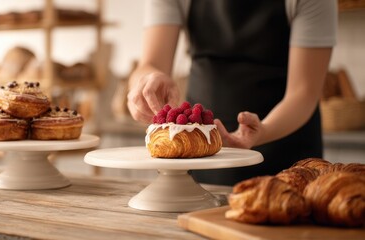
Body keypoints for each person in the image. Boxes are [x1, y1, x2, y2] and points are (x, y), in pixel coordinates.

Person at [127, 0, 337, 185]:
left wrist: (264, 131)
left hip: (286, 148)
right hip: (201, 149)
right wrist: (145, 81)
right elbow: (151, 63)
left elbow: (303, 92)